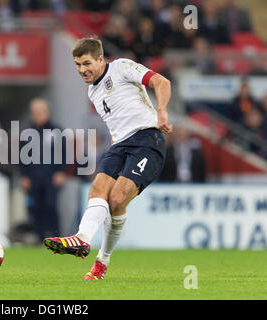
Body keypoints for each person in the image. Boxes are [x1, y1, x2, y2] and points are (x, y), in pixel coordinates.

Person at [43, 37, 172, 280]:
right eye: (78, 65)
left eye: (87, 63)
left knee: (116, 200)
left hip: (147, 140)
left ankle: (102, 260)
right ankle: (81, 239)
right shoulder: (93, 91)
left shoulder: (121, 67)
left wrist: (162, 110)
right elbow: (117, 122)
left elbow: (160, 81)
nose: (82, 70)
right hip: (120, 144)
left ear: (101, 59)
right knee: (97, 189)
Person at [19, 98, 67, 242]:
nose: (37, 115)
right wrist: (23, 176)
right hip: (34, 177)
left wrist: (61, 171)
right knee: (36, 209)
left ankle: (56, 237)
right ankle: (40, 239)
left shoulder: (56, 131)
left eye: (40, 112)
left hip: (51, 176)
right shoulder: (27, 132)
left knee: (51, 205)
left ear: (47, 112)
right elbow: (22, 156)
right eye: (35, 113)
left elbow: (64, 153)